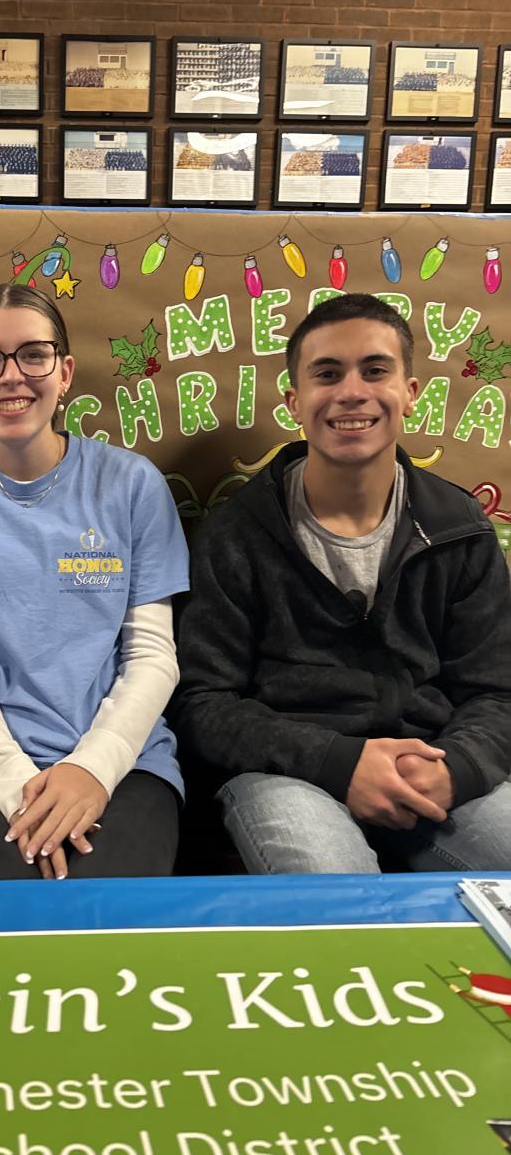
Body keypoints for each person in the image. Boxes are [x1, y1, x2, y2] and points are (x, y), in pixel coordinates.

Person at [171, 292, 511, 874]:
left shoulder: (458, 528)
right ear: (293, 401)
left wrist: (456, 768)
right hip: (288, 773)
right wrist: (338, 762)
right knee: (332, 890)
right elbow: (202, 703)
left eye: (375, 370)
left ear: (410, 392)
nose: (352, 391)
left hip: (431, 762)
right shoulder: (237, 534)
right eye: (327, 374)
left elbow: (498, 692)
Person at [0, 283, 189, 880]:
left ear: (65, 373)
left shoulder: (133, 485)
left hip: (125, 763)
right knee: (0, 915)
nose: (12, 376)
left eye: (34, 354)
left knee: (106, 914)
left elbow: (153, 655)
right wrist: (15, 784)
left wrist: (92, 769)